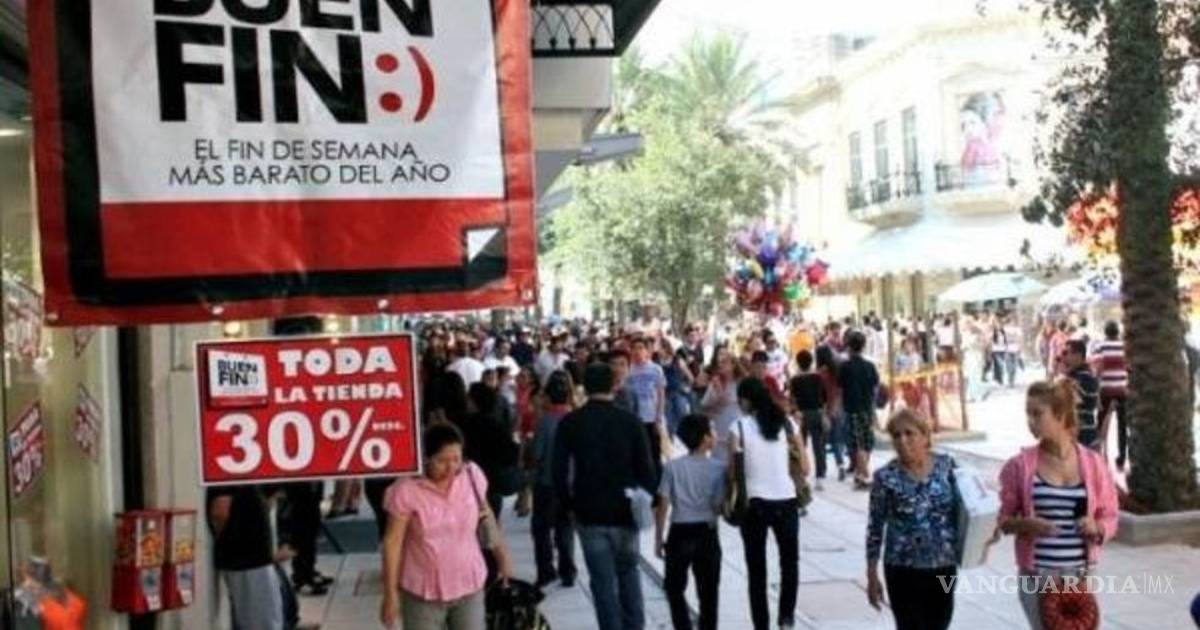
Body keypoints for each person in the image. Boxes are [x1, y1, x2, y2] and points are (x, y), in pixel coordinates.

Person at [997, 380, 1119, 630]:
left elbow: (1110, 514)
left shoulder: (1093, 464)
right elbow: (1002, 519)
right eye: (1028, 414)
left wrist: (1096, 528)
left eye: (1037, 414)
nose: (1031, 421)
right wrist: (1025, 524)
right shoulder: (1019, 466)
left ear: (1060, 415)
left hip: (1079, 574)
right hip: (1036, 576)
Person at [380, 423, 515, 630]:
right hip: (423, 591)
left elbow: (487, 517)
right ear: (425, 459)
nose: (451, 468)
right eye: (442, 461)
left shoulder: (471, 475)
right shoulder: (406, 490)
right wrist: (390, 594)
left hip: (469, 583)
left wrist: (502, 557)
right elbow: (392, 543)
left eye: (456, 459)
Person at [553, 363, 657, 630]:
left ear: (585, 387)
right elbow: (647, 471)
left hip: (589, 511)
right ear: (615, 385)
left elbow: (559, 471)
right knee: (629, 574)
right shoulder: (631, 422)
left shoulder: (571, 423)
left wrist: (568, 505)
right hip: (625, 511)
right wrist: (644, 502)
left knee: (602, 582)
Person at [866, 410, 960, 630]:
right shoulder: (885, 477)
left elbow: (968, 507)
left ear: (925, 436)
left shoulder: (947, 467)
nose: (902, 440)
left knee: (940, 624)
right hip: (902, 569)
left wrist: (985, 534)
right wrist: (871, 574)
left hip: (943, 565)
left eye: (909, 433)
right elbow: (875, 528)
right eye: (896, 435)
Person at [732, 378, 802, 630]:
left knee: (757, 570)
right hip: (787, 500)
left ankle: (761, 625)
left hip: (755, 504)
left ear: (745, 401)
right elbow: (805, 466)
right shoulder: (788, 424)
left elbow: (732, 473)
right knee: (790, 564)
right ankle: (786, 619)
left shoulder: (738, 427)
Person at [655, 414, 725, 630]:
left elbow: (663, 504)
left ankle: (682, 625)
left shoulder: (672, 467)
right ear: (705, 438)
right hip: (707, 531)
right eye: (712, 431)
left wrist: (659, 538)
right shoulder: (719, 468)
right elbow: (718, 507)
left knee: (674, 588)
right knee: (709, 593)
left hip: (679, 531)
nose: (716, 434)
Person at [207, 484, 287, 629]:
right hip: (246, 558)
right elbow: (220, 512)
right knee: (261, 620)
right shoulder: (229, 479)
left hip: (252, 558)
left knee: (265, 617)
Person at [529, 371, 578, 588]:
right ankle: (568, 570)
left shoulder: (545, 422)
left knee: (541, 530)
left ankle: (546, 570)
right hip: (570, 484)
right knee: (565, 528)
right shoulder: (576, 419)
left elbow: (537, 454)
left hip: (547, 483)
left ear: (548, 397)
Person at [462, 383, 520, 519]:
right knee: (492, 517)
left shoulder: (466, 424)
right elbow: (511, 452)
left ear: (475, 401)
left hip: (473, 480)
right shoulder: (497, 423)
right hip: (494, 480)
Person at [839, 331, 880, 489]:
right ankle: (861, 473)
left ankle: (863, 474)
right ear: (863, 346)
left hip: (851, 409)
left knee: (858, 443)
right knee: (867, 442)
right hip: (867, 408)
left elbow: (840, 388)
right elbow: (875, 388)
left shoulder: (845, 367)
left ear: (849, 346)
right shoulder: (870, 366)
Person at [626, 337, 668, 485]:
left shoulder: (656, 369)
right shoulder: (629, 370)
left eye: (640, 348)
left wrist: (658, 417)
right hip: (635, 419)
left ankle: (657, 485)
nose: (637, 351)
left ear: (647, 350)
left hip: (651, 418)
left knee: (654, 454)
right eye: (634, 348)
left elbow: (661, 394)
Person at [1093, 321, 1129, 469]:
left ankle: (1098, 455)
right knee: (1122, 425)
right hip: (1122, 389)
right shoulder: (1125, 347)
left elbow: (1096, 368)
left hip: (1105, 390)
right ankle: (1122, 457)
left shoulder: (1100, 347)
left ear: (1105, 332)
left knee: (1101, 423)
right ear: (1117, 332)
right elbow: (1129, 366)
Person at [790, 350, 828, 490]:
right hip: (816, 413)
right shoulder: (818, 378)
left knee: (801, 446)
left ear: (798, 363)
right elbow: (824, 397)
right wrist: (824, 414)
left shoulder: (795, 380)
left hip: (801, 415)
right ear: (811, 362)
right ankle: (819, 477)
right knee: (819, 446)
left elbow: (792, 398)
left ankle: (801, 475)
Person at [699, 346, 743, 462]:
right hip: (720, 434)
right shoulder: (715, 383)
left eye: (724, 362)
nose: (720, 365)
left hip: (738, 432)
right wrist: (716, 401)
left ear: (733, 365)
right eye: (719, 363)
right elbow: (703, 406)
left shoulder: (740, 383)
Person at [815, 345, 848, 481]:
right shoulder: (836, 370)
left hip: (825, 409)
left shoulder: (819, 374)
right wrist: (836, 406)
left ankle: (822, 469)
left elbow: (820, 396)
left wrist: (825, 411)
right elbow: (840, 391)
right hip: (839, 408)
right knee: (836, 440)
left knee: (822, 441)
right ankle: (841, 465)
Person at [1062, 340, 1101, 450]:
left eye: (1066, 353)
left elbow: (1083, 402)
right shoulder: (1074, 376)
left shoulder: (1085, 377)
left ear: (1078, 355)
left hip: (1083, 437)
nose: (1064, 357)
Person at [664, 347, 696, 438]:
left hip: (678, 393)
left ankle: (683, 437)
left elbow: (690, 377)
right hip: (667, 395)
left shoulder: (677, 361)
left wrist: (686, 387)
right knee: (669, 421)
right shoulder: (658, 361)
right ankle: (674, 439)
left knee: (681, 417)